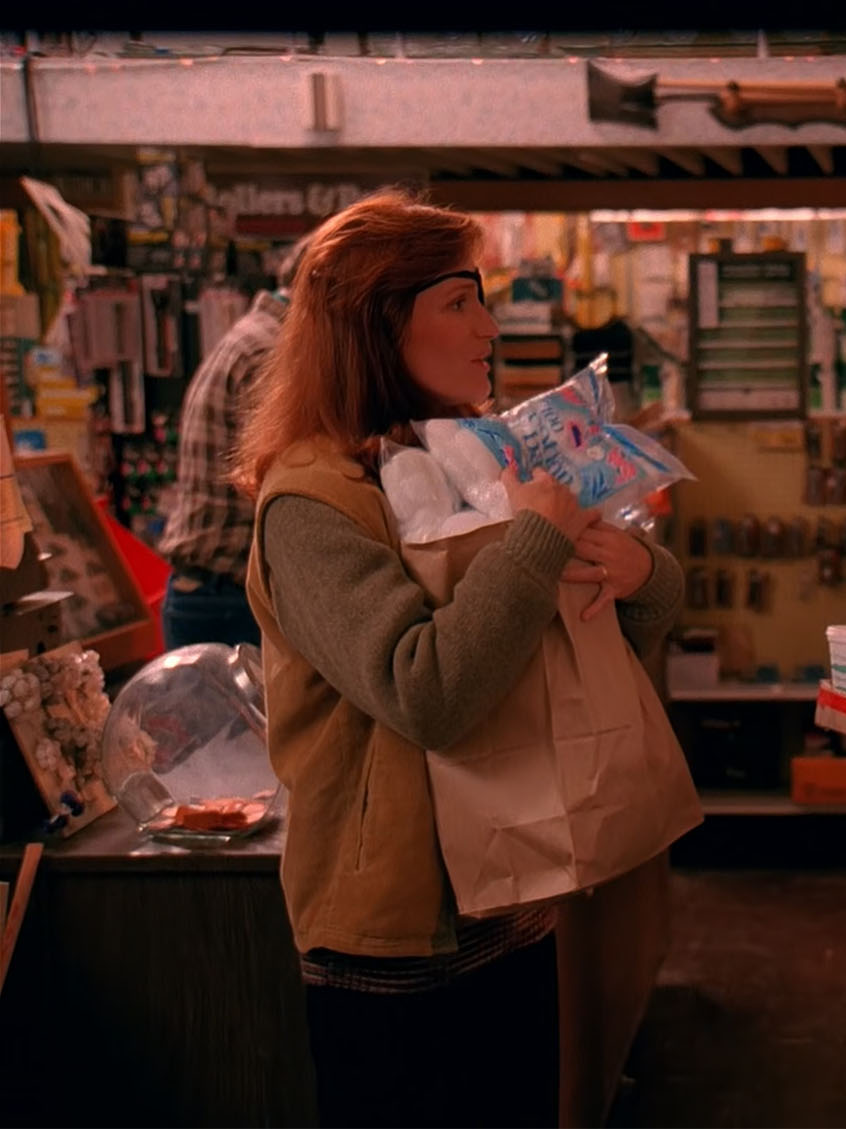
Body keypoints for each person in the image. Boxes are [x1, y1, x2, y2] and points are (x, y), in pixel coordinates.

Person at [229, 188, 684, 1128]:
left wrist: (642, 572)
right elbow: (425, 690)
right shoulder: (311, 502)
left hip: (512, 898)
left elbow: (579, 640)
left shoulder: (458, 457)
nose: (489, 326)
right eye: (459, 300)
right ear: (376, 324)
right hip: (398, 942)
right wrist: (536, 541)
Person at [157, 235, 312, 651]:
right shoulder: (272, 352)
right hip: (226, 595)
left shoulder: (259, 335)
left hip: (216, 590)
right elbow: (287, 487)